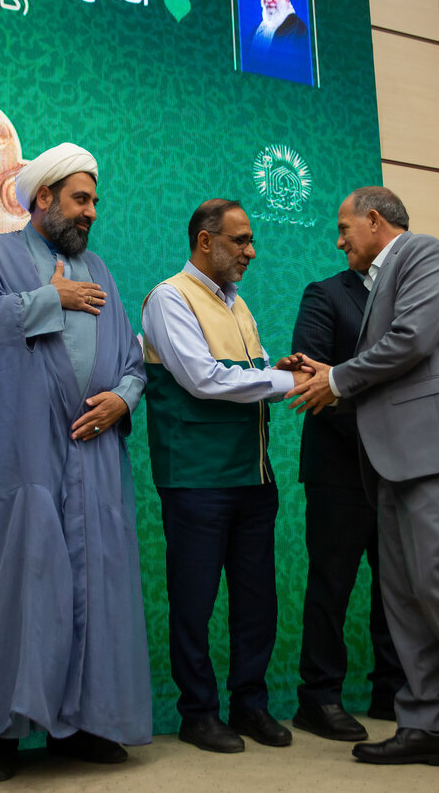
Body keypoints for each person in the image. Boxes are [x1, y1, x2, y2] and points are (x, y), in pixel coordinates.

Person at [287, 186, 439, 773]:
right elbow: (389, 364)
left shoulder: (426, 253)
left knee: (438, 581)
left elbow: (412, 341)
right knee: (402, 594)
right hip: (393, 457)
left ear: (374, 220)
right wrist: (332, 374)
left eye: (344, 228)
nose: (339, 241)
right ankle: (426, 725)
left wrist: (337, 380)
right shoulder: (381, 277)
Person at [0, 142, 151, 783]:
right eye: (80, 199)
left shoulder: (101, 270)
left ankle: (83, 725)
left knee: (95, 585)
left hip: (94, 452)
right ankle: (4, 734)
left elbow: (132, 360)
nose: (91, 212)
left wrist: (122, 399)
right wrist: (48, 299)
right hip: (23, 453)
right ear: (44, 198)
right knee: (21, 589)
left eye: (94, 201)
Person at [141, 199, 303, 754]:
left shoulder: (237, 302)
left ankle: (250, 705)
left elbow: (247, 376)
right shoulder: (169, 298)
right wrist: (289, 384)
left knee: (257, 602)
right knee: (194, 603)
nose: (250, 251)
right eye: (240, 240)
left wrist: (277, 371)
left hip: (252, 477)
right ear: (205, 241)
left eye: (250, 240)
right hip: (196, 479)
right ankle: (199, 713)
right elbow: (203, 379)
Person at [289, 268, 405, 742]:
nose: (340, 240)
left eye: (345, 232)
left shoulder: (409, 294)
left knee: (397, 587)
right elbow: (311, 381)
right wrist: (386, 413)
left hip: (401, 467)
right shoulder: (326, 294)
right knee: (331, 588)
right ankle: (319, 699)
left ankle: (393, 691)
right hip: (339, 466)